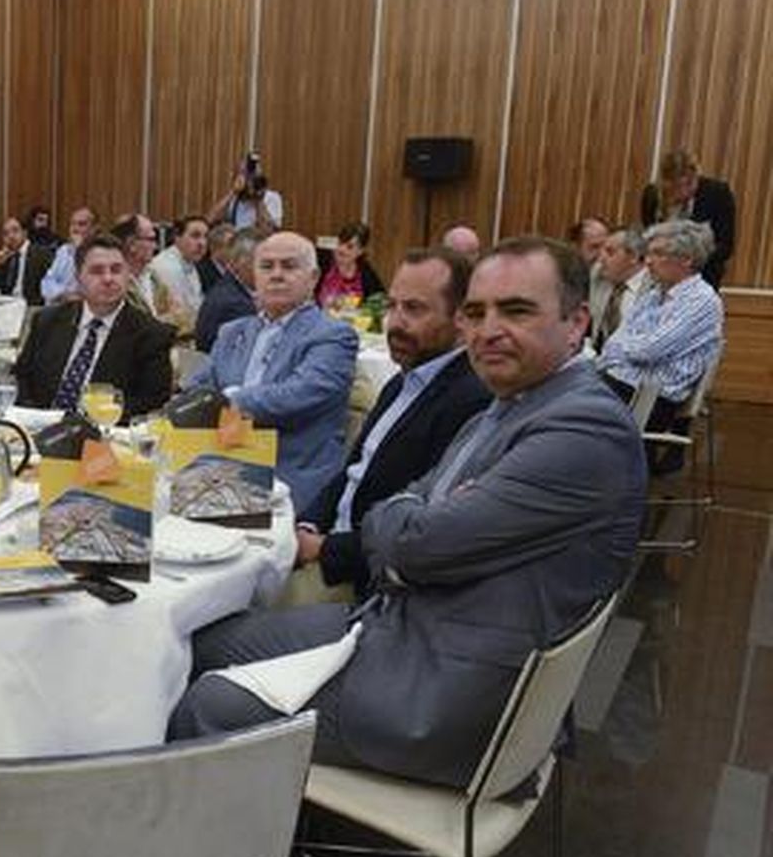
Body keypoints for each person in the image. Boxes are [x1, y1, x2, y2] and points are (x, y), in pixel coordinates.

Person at [170, 236, 646, 790]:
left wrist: (412, 520)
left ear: (576, 323)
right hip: (403, 620)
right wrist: (415, 516)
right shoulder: (509, 405)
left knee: (210, 703)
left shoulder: (583, 429)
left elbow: (415, 543)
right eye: (476, 313)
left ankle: (217, 841)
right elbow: (409, 508)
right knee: (202, 642)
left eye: (516, 311)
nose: (488, 330)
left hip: (453, 687)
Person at [295, 249, 490, 597]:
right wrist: (308, 525)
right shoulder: (401, 383)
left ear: (461, 317)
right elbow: (354, 471)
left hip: (367, 578)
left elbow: (428, 528)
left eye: (414, 309)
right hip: (325, 544)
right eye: (392, 306)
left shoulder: (471, 400)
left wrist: (323, 550)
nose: (396, 323)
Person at [184, 231, 358, 513]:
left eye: (289, 266)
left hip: (286, 474)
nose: (276, 275)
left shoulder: (333, 335)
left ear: (313, 278)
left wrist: (229, 401)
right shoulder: (232, 332)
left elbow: (297, 394)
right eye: (266, 266)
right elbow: (196, 390)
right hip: (219, 466)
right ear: (254, 276)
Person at [14, 234, 173, 418]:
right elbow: (23, 380)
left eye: (116, 270)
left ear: (127, 275)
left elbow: (151, 404)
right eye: (97, 271)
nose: (108, 278)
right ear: (78, 277)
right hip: (40, 427)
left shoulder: (152, 335)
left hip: (106, 431)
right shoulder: (46, 321)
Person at [597, 219, 724, 451]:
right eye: (648, 253)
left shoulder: (701, 300)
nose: (647, 261)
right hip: (623, 384)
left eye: (658, 253)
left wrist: (625, 349)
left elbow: (648, 351)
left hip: (653, 400)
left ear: (686, 259)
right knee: (564, 387)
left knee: (569, 401)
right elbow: (612, 344)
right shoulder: (654, 295)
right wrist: (628, 349)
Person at [641, 149, 735, 288]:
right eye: (676, 187)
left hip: (703, 274)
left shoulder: (717, 193)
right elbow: (649, 236)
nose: (684, 192)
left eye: (689, 184)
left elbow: (725, 245)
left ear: (697, 176)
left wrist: (690, 261)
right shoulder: (652, 195)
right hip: (659, 273)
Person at [194, 225, 258, 353]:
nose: (271, 274)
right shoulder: (236, 304)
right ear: (239, 263)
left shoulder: (228, 288)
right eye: (265, 265)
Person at [588, 225, 651, 352]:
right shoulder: (598, 276)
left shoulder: (654, 288)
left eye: (610, 252)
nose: (601, 259)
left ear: (633, 257)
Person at [145, 215, 209, 335]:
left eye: (205, 237)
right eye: (195, 236)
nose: (202, 243)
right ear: (177, 237)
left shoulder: (190, 262)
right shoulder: (167, 267)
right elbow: (179, 317)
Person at [0, 216, 53, 304]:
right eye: (6, 233)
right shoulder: (6, 257)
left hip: (32, 306)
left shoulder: (41, 254)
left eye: (15, 230)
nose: (11, 236)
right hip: (8, 305)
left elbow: (49, 287)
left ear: (25, 233)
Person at [206, 154, 283, 233]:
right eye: (245, 174)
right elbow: (209, 220)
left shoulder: (271, 197)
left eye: (255, 175)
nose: (250, 178)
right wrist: (232, 192)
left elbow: (269, 231)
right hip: (237, 239)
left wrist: (258, 200)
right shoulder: (234, 198)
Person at [316, 220, 383, 309]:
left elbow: (380, 300)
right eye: (340, 243)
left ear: (360, 251)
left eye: (349, 247)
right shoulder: (323, 262)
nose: (341, 249)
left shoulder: (366, 274)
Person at [39, 206, 97, 302]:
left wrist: (79, 251)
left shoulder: (99, 252)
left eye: (81, 224)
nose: (75, 229)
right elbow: (47, 283)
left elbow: (89, 285)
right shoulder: (64, 250)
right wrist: (64, 294)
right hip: (60, 301)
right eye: (72, 224)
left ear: (93, 229)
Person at [110, 214, 160, 315]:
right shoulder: (115, 283)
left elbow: (181, 315)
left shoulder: (153, 277)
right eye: (151, 239)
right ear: (132, 244)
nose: (156, 246)